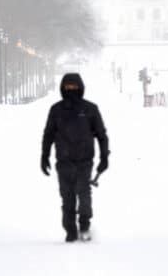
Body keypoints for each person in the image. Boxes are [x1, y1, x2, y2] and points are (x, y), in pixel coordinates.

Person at [41, 73, 109, 242]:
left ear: (81, 88)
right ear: (63, 88)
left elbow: (101, 135)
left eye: (74, 87)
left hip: (84, 162)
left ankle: (84, 225)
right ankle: (70, 230)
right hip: (63, 163)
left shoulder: (90, 109)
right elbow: (48, 134)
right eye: (68, 87)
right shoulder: (56, 110)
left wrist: (104, 157)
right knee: (67, 198)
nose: (71, 90)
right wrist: (44, 155)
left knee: (84, 196)